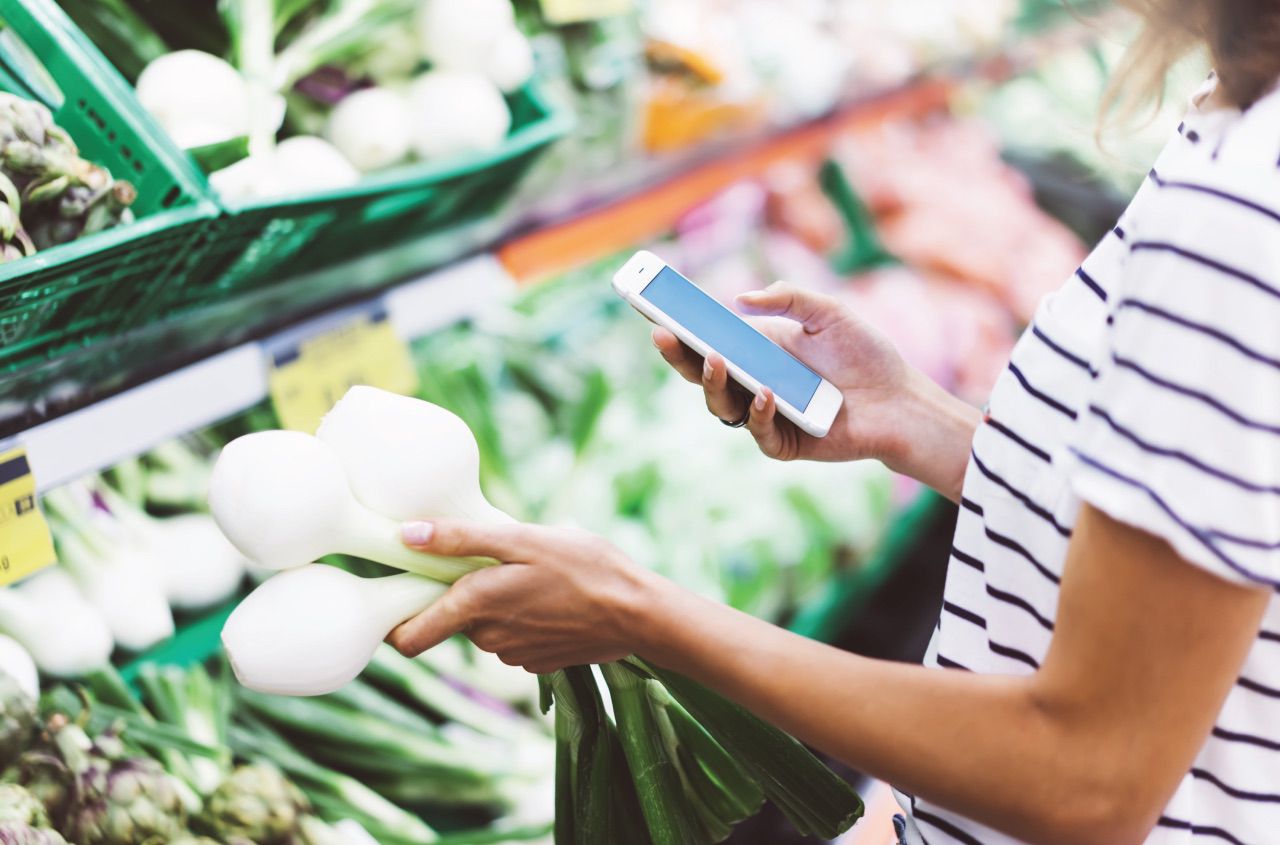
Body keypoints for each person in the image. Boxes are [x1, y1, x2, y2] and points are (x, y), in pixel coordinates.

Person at [387, 1, 1280, 841]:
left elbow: (1091, 775)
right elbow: (1198, 525)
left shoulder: (1236, 214)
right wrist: (914, 419)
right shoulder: (1234, 130)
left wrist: (637, 611)